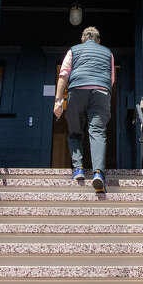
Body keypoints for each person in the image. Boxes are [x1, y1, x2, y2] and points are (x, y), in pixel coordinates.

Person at [52, 26, 114, 192]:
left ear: (83, 39)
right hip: (101, 91)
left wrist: (58, 100)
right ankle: (98, 173)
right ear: (98, 40)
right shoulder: (108, 53)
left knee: (75, 131)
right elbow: (111, 79)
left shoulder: (73, 50)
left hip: (78, 90)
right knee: (98, 131)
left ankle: (78, 169)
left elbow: (63, 75)